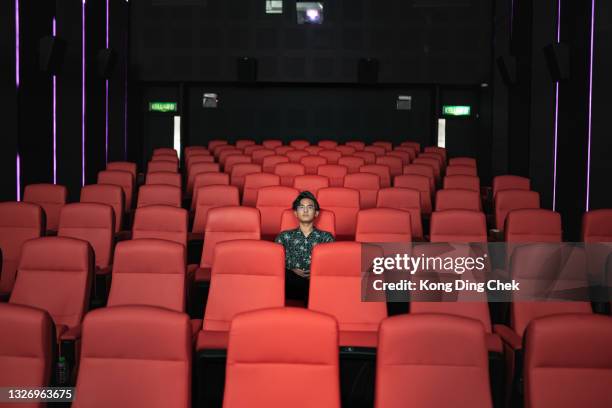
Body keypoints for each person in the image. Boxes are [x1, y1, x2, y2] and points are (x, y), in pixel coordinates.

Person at [274, 191, 334, 302]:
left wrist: (315, 273)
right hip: (290, 283)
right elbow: (274, 263)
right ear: (296, 213)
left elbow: (331, 264)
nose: (305, 210)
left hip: (317, 284)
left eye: (310, 207)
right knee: (282, 274)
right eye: (301, 207)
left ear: (316, 213)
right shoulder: (283, 236)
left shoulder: (326, 237)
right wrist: (292, 269)